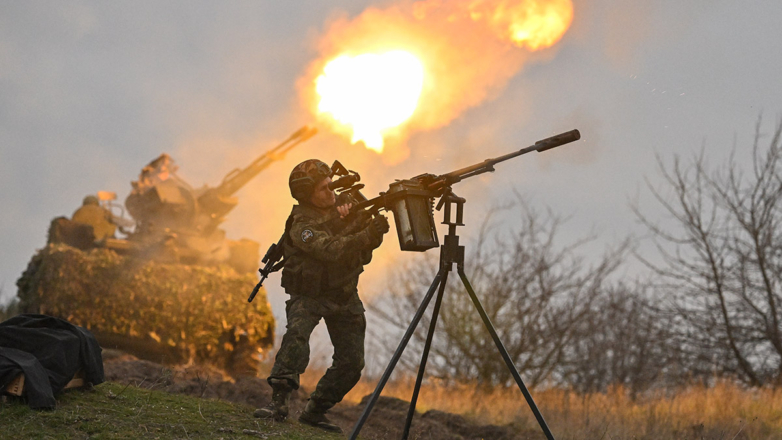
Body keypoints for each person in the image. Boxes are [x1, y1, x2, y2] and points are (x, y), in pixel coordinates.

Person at [254, 159, 389, 433]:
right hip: (310, 294)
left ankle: (315, 412)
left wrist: (369, 229)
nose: (331, 192)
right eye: (323, 189)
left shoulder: (344, 208)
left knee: (352, 362)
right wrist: (365, 234)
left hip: (343, 293)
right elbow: (330, 249)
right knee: (296, 340)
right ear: (307, 195)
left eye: (331, 185)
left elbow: (362, 251)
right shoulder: (301, 224)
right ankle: (278, 403)